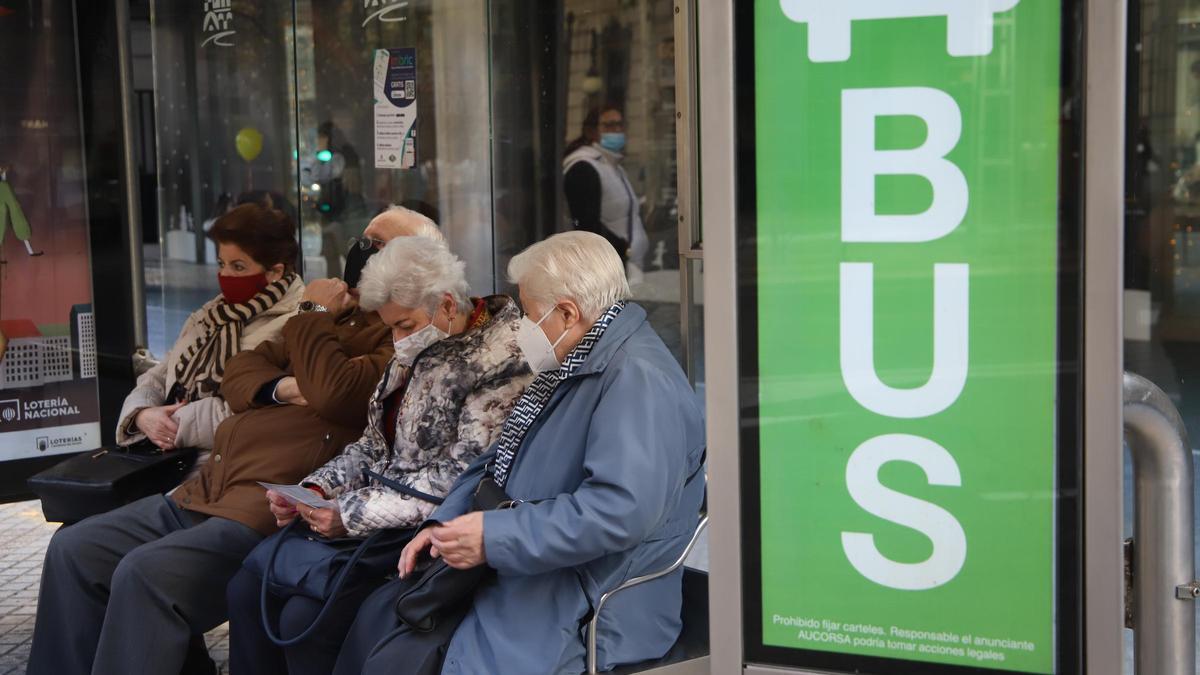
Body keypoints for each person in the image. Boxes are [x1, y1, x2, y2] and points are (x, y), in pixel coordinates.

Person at [25, 207, 441, 675]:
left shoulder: (402, 334)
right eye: (363, 240)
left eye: (379, 245)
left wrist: (312, 314)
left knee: (145, 575)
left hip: (264, 502)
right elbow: (238, 377)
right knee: (75, 550)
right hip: (207, 487)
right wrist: (283, 387)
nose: (363, 253)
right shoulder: (338, 318)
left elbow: (337, 393)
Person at [337, 231, 706, 674]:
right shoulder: (578, 357)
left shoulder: (636, 379)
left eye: (530, 315)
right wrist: (447, 524)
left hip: (589, 599)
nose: (523, 328)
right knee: (380, 627)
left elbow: (618, 511)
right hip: (537, 566)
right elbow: (497, 457)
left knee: (415, 656)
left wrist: (493, 538)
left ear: (568, 312)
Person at [226, 235, 533, 675]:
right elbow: (372, 444)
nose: (397, 338)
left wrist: (348, 514)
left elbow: (460, 478)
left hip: (417, 531)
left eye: (405, 325)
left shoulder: (502, 360)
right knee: (246, 586)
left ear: (447, 305)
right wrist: (315, 488)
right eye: (391, 326)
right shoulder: (416, 348)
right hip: (369, 517)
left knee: (303, 617)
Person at [115, 203, 303, 455]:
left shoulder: (301, 315)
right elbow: (163, 372)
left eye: (238, 266)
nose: (224, 274)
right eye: (221, 263)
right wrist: (141, 414)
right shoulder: (212, 313)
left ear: (275, 272)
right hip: (169, 450)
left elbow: (253, 405)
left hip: (227, 460)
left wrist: (170, 424)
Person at [563, 104, 649, 281]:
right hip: (608, 270)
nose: (616, 130)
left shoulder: (613, 166)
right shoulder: (583, 167)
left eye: (620, 125)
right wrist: (622, 249)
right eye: (609, 125)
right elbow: (587, 226)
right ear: (592, 131)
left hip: (629, 267)